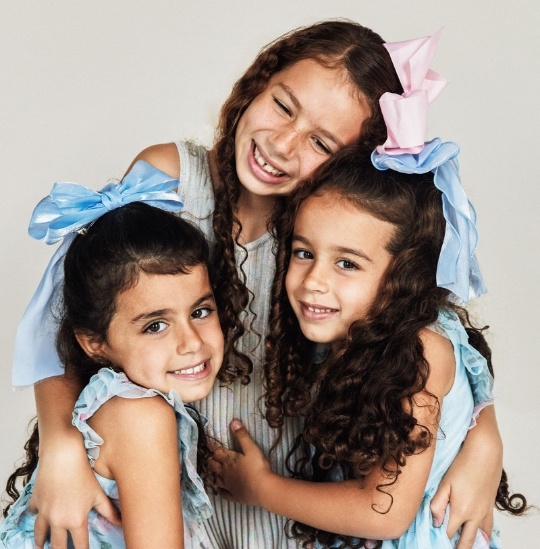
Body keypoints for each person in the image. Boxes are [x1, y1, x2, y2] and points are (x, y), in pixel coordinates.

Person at [13, 21, 503, 549]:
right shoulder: (171, 180)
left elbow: (418, 325)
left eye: (321, 141)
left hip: (289, 502)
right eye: (283, 106)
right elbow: (69, 315)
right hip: (169, 497)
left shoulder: (330, 233)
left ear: (352, 163)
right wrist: (60, 444)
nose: (283, 143)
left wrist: (483, 436)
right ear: (258, 82)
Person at [213, 142, 528, 548]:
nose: (314, 280)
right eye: (304, 252)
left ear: (404, 275)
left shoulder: (421, 350)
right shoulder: (356, 335)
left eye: (347, 263)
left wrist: (259, 487)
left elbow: (385, 513)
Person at [2, 162, 233, 547]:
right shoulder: (141, 418)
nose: (191, 342)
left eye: (200, 311)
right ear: (95, 343)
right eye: (155, 325)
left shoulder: (114, 405)